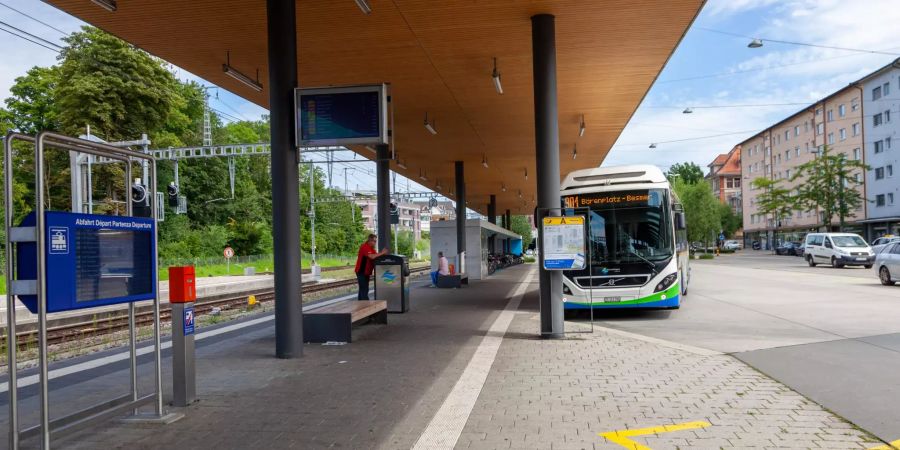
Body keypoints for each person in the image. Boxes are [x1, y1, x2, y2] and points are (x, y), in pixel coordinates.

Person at [355, 234, 388, 300]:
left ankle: (360, 305)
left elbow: (376, 256)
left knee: (362, 289)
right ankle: (366, 305)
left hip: (366, 272)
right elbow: (371, 256)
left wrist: (382, 254)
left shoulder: (372, 249)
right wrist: (382, 253)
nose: (375, 243)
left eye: (375, 241)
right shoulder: (364, 247)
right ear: (370, 240)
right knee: (364, 290)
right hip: (361, 272)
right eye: (374, 241)